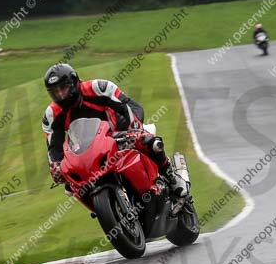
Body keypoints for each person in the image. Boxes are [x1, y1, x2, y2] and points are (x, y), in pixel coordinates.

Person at [41, 63, 189, 198]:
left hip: (119, 134)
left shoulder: (98, 88)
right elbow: (54, 147)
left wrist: (134, 130)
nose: (61, 95)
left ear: (74, 83)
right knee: (70, 187)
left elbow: (129, 106)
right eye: (56, 92)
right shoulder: (52, 114)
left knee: (151, 143)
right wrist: (57, 167)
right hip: (86, 151)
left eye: (64, 88)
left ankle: (172, 177)